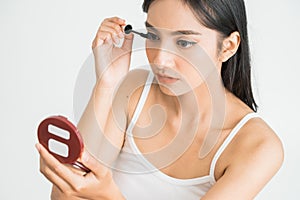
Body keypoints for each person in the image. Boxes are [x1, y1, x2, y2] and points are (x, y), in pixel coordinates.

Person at [36, 0, 284, 199]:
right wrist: (107, 83)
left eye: (184, 42)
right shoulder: (133, 92)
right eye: (153, 37)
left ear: (228, 46)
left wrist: (108, 196)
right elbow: (64, 195)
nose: (161, 60)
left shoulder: (257, 146)